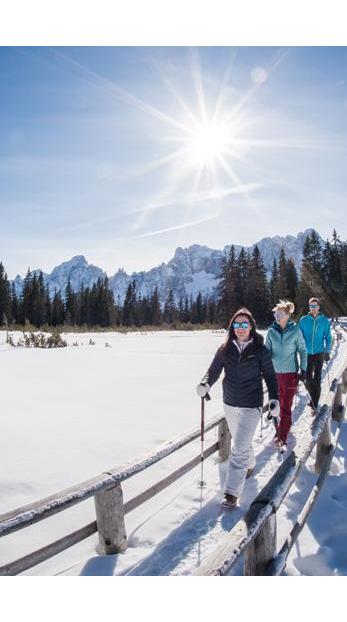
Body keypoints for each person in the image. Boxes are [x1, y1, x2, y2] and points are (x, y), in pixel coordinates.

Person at [196, 307, 279, 509]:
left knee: (240, 446)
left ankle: (231, 494)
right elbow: (213, 371)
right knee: (242, 443)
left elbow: (270, 376)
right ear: (233, 326)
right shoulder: (225, 349)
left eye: (244, 324)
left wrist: (274, 400)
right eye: (237, 324)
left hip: (252, 404)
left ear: (251, 326)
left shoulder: (260, 349)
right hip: (230, 403)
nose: (241, 328)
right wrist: (205, 383)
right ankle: (250, 464)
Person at [265, 300, 308, 447]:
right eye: (276, 314)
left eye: (280, 314)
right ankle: (280, 429)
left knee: (286, 407)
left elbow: (302, 350)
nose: (277, 316)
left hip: (290, 375)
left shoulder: (295, 331)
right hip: (274, 375)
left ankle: (282, 436)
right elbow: (267, 352)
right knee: (277, 405)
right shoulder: (271, 332)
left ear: (288, 315)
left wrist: (303, 369)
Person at [299, 297, 332, 410]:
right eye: (311, 306)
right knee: (306, 379)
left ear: (319, 307)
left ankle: (314, 404)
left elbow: (328, 337)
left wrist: (327, 351)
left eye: (315, 306)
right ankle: (313, 397)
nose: (313, 308)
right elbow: (299, 337)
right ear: (309, 307)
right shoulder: (303, 320)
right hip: (307, 354)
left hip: (319, 353)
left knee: (317, 379)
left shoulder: (324, 321)